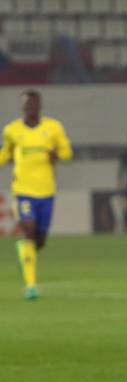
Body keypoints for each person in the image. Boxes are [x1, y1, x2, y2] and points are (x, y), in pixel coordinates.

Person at [0, 89, 73, 300]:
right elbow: (5, 153)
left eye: (34, 105)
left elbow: (67, 152)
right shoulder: (12, 131)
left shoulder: (53, 128)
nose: (30, 108)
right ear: (23, 107)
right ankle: (31, 285)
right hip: (23, 191)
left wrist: (56, 154)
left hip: (46, 192)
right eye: (27, 105)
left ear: (39, 106)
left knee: (39, 240)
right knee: (29, 231)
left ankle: (26, 255)